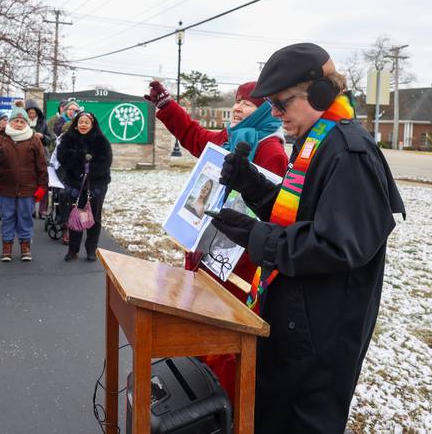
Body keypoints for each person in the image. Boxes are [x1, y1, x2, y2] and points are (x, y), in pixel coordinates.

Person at [208, 43, 405, 433]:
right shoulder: (317, 139)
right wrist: (251, 184)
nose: (276, 115)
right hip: (295, 325)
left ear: (319, 94)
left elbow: (335, 244)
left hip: (320, 341)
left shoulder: (349, 152)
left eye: (281, 104)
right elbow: (299, 215)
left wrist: (255, 236)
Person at [146, 80, 288, 290]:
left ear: (265, 111)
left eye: (248, 104)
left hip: (234, 262)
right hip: (203, 245)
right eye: (238, 101)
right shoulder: (229, 136)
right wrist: (168, 106)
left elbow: (265, 214)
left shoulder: (271, 152)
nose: (237, 108)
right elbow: (195, 136)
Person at [0, 107, 48, 262]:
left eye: (22, 121)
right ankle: (7, 246)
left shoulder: (34, 139)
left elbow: (41, 165)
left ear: (27, 123)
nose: (19, 124)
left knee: (25, 217)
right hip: (5, 186)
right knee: (7, 217)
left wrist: (43, 186)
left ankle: (25, 246)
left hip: (28, 187)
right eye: (16, 121)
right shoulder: (0, 138)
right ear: (10, 122)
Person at [56, 112, 112, 262]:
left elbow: (105, 161)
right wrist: (80, 160)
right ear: (76, 123)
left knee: (94, 216)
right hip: (75, 184)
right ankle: (73, 250)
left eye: (86, 122)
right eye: (80, 122)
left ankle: (91, 250)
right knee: (75, 216)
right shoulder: (68, 138)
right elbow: (62, 157)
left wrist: (90, 171)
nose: (83, 125)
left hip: (96, 185)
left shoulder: (101, 140)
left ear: (92, 124)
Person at [25, 99, 54, 219]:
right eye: (29, 112)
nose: (32, 115)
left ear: (37, 112)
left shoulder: (43, 123)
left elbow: (50, 138)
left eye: (33, 112)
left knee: (44, 183)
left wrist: (42, 136)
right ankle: (30, 209)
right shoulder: (23, 122)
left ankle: (42, 210)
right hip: (27, 155)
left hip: (42, 155)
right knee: (30, 182)